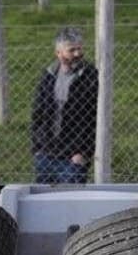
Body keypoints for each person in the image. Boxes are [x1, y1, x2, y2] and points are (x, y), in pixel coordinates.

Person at [30, 27, 98, 184]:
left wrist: (84, 152)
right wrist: (38, 149)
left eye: (79, 49)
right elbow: (38, 114)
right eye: (71, 50)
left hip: (74, 157)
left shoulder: (90, 77)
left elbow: (93, 117)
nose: (77, 54)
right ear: (58, 53)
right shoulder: (49, 76)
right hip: (46, 154)